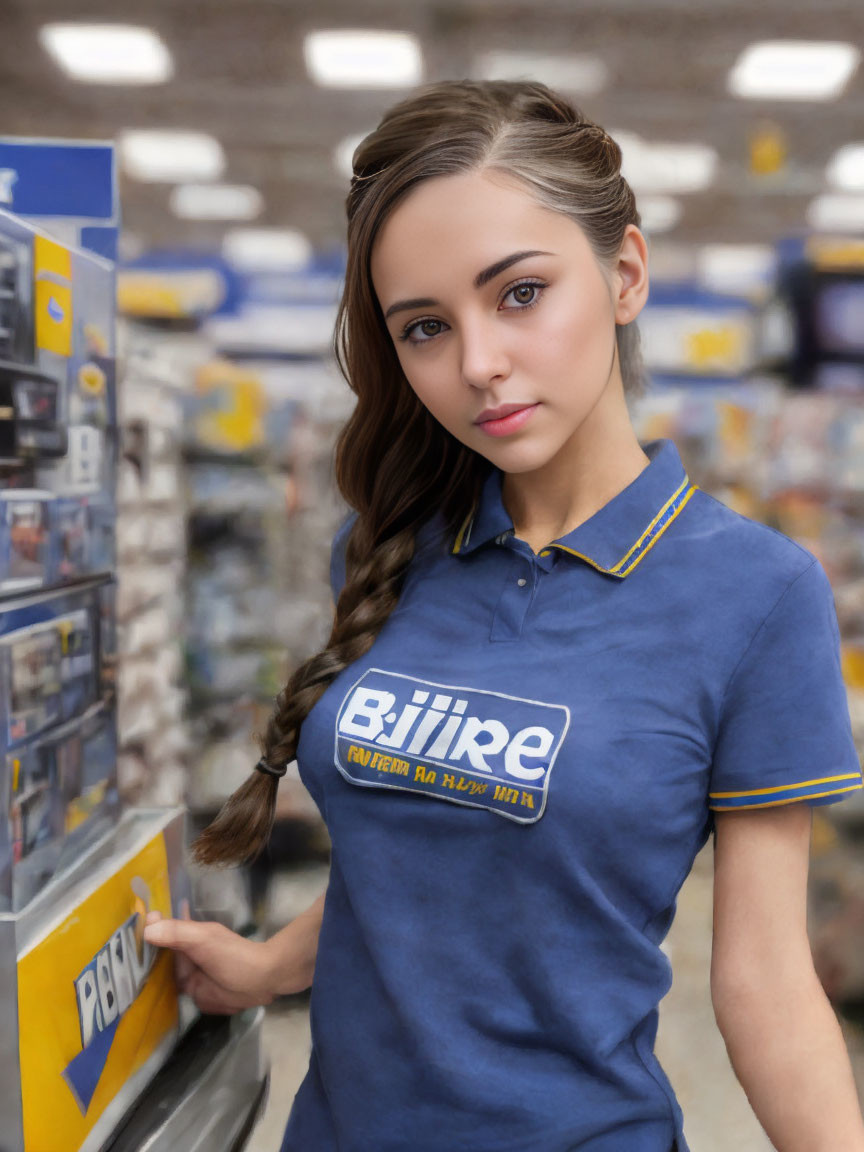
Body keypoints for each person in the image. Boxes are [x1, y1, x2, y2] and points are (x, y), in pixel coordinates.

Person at [143, 79, 864, 1152]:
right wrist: (264, 966)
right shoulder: (389, 549)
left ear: (624, 275)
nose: (476, 364)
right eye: (424, 327)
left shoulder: (755, 594)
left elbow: (764, 980)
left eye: (520, 294)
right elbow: (417, 868)